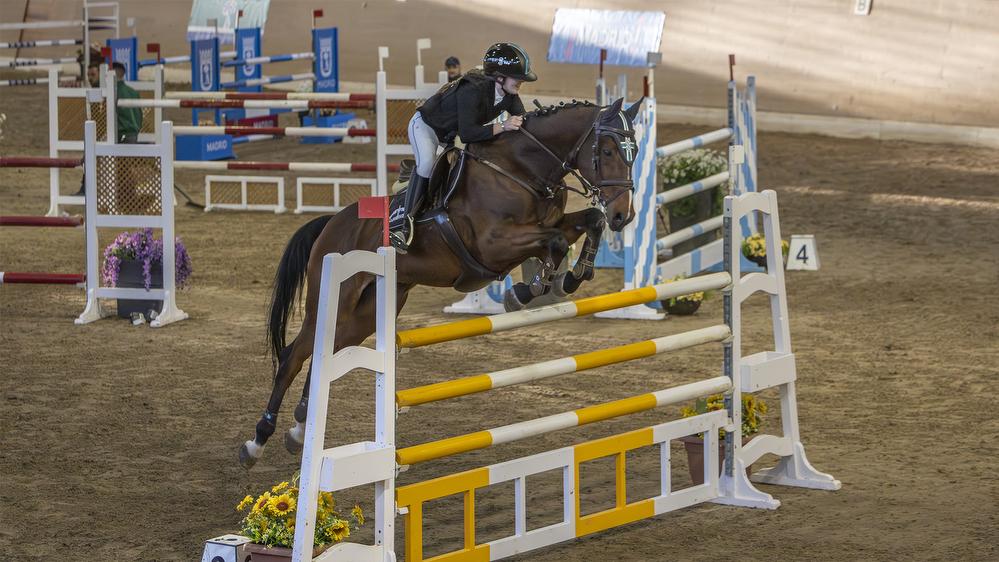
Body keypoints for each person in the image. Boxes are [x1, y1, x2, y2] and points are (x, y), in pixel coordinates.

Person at [388, 43, 537, 253]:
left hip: (448, 136)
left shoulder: (508, 94)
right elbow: (468, 134)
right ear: (499, 77)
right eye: (517, 77)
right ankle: (405, 226)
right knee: (428, 164)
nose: (521, 81)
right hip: (426, 127)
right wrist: (503, 126)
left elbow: (523, 120)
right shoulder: (472, 90)